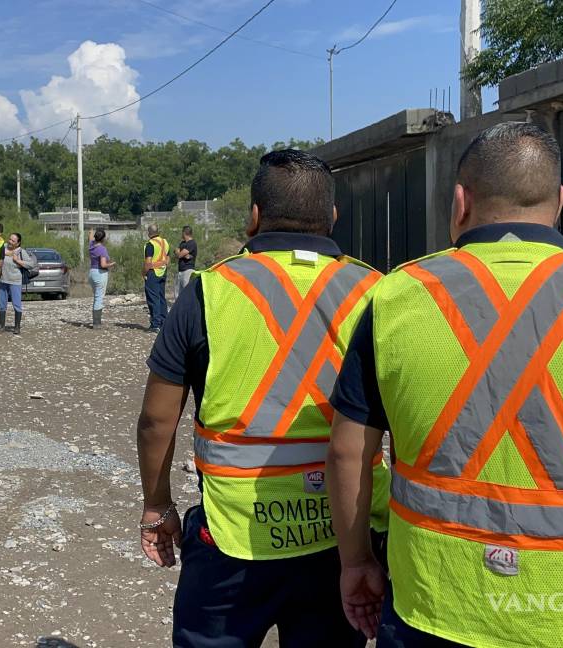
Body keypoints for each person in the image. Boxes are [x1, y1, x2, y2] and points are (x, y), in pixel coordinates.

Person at [326, 122, 563, 648]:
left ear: (460, 202)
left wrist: (356, 562)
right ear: (559, 203)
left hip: (433, 608)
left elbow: (348, 454)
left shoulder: (396, 298)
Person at [135, 149, 391, 648]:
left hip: (235, 532)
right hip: (346, 535)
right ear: (332, 217)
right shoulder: (377, 292)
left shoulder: (209, 291)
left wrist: (157, 505)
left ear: (254, 216)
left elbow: (155, 420)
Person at [0, 232, 34, 335]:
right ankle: (1, 327)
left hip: (15, 281)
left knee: (16, 304)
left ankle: (17, 327)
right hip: (2, 280)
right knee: (1, 304)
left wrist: (18, 261)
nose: (10, 242)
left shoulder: (21, 252)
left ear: (18, 243)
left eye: (13, 241)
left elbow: (31, 264)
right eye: (9, 239)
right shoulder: (2, 247)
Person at [142, 223, 170, 332]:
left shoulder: (150, 244)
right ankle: (164, 322)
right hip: (163, 272)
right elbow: (167, 259)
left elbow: (148, 263)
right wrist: (163, 267)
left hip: (153, 273)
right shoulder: (165, 242)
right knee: (161, 298)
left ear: (149, 233)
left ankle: (155, 325)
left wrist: (143, 273)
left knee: (153, 299)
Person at [88, 228, 115, 327]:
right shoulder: (102, 249)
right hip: (100, 273)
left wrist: (90, 232)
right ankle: (97, 323)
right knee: (99, 298)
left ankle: (96, 321)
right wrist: (112, 264)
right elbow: (103, 265)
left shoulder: (91, 245)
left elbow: (90, 238)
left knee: (96, 296)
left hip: (92, 273)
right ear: (103, 239)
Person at [173, 225, 197, 301]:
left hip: (188, 271)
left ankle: (188, 310)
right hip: (180, 271)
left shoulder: (192, 243)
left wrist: (180, 253)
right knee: (178, 294)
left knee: (187, 293)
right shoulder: (182, 243)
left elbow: (179, 254)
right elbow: (177, 252)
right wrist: (182, 254)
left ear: (184, 233)